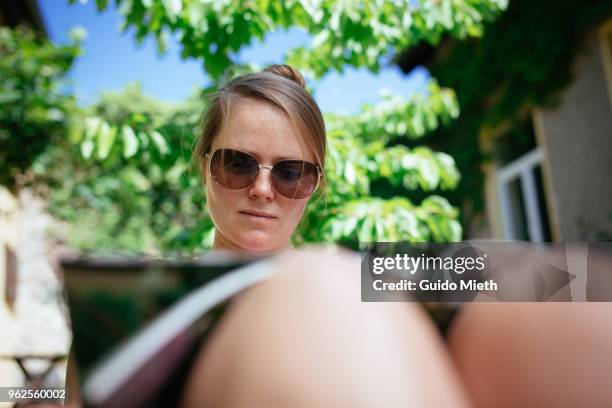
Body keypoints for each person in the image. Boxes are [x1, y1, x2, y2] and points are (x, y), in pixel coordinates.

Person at [178, 64, 612, 408]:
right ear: (204, 167)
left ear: (315, 185)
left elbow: (561, 275)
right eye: (237, 163)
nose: (262, 188)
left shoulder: (362, 269)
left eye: (291, 172)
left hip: (357, 279)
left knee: (564, 309)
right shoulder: (158, 288)